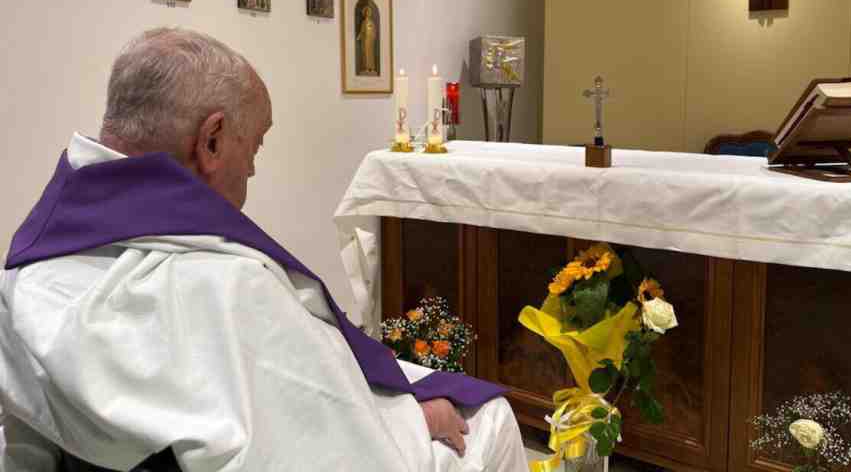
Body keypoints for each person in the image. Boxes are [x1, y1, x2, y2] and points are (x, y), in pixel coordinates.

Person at [0, 28, 527, 471]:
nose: (251, 168)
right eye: (254, 146)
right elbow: (320, 441)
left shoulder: (32, 264)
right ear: (211, 142)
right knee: (493, 419)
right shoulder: (226, 286)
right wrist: (416, 420)